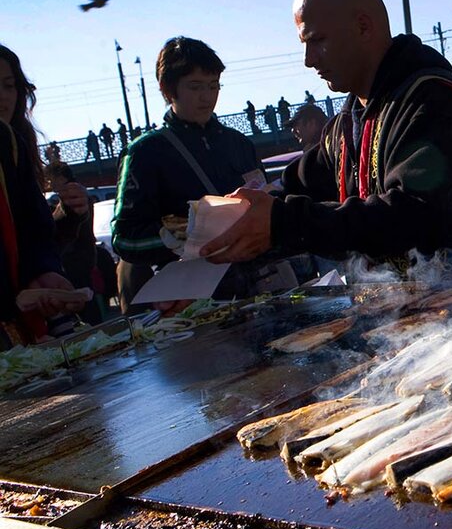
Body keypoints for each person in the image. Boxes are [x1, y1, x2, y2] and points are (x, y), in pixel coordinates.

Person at [200, 0, 452, 278]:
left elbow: (412, 216)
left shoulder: (436, 101)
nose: (308, 60)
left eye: (317, 40)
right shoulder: (346, 125)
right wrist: (238, 217)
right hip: (408, 321)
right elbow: (299, 185)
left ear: (364, 26)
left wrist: (282, 223)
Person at [111, 37, 263, 312]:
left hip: (255, 290)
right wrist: (183, 237)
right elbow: (124, 238)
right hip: (191, 303)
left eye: (213, 86)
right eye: (195, 87)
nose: (207, 97)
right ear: (168, 90)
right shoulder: (145, 152)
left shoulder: (239, 144)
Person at [0, 44, 81, 344]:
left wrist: (43, 271)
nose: (3, 96)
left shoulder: (15, 145)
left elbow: (31, 232)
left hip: (19, 330)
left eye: (9, 86)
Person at [45, 162, 103, 324]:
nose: (50, 184)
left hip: (74, 258)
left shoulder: (72, 195)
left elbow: (67, 224)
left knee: (82, 299)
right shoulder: (80, 192)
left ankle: (94, 329)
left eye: (51, 180)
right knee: (86, 297)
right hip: (84, 256)